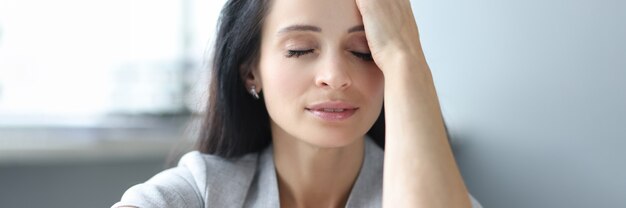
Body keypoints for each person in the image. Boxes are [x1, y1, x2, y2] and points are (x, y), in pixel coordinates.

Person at [112, 0, 483, 207]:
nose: (335, 76)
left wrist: (405, 56)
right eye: (300, 50)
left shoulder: (436, 196)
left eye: (364, 52)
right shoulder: (195, 195)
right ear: (250, 72)